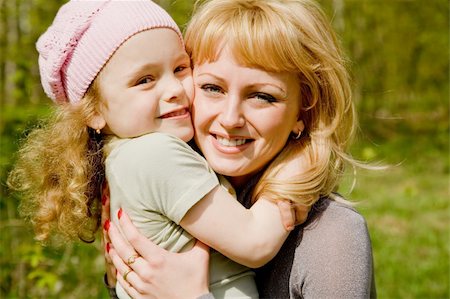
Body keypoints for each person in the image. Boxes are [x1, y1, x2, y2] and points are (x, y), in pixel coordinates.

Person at [7, 0, 306, 298]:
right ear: (93, 111)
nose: (175, 89)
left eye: (179, 68)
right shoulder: (155, 155)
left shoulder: (120, 157)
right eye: (145, 80)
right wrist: (300, 162)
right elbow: (255, 243)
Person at [104, 0, 376, 298]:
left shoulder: (332, 235)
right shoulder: (171, 194)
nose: (231, 118)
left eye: (262, 96)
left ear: (304, 111)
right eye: (212, 88)